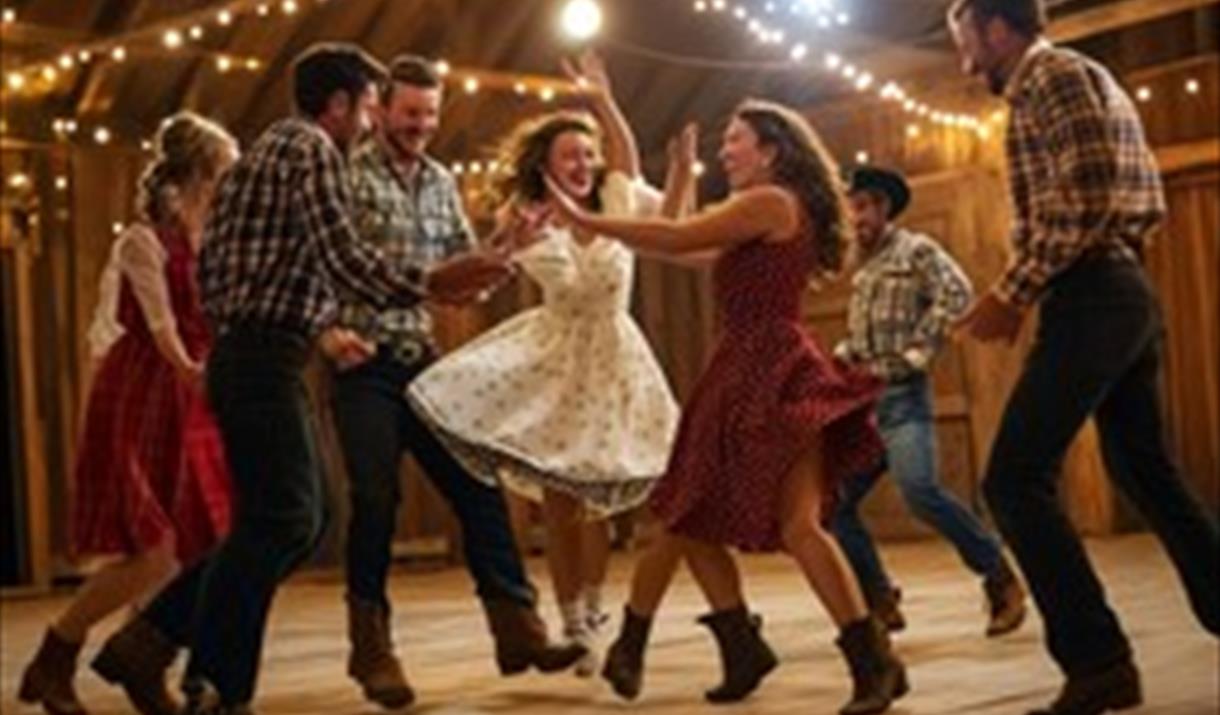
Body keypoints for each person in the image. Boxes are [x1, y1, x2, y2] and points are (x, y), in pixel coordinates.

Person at [88, 43, 512, 715]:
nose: (373, 120)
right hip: (260, 357)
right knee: (285, 516)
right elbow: (343, 257)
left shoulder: (271, 152)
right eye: (370, 104)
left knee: (299, 517)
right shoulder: (308, 147)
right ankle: (214, 681)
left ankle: (148, 641)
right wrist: (429, 282)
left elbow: (221, 268)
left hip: (262, 355)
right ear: (340, 104)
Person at [548, 99, 908, 715]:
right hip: (743, 367)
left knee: (782, 524)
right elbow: (678, 247)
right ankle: (743, 646)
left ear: (770, 150)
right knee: (690, 515)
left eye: (735, 140)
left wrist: (589, 219)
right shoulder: (760, 214)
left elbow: (677, 234)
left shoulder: (771, 202)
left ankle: (869, 662)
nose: (726, 151)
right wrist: (681, 174)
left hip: (768, 365)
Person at [947, 1, 1220, 713]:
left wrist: (1013, 291)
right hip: (1111, 287)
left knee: (1013, 479)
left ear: (997, 28)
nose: (960, 54)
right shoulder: (1063, 79)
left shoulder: (1053, 76)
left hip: (1095, 291)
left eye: (963, 36)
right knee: (1145, 471)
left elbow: (1087, 193)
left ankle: (1099, 663)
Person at [321, 53, 587, 709]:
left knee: (477, 482)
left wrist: (505, 245)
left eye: (430, 116)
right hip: (360, 364)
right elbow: (318, 261)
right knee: (376, 498)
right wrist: (325, 333)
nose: (420, 126)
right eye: (410, 113)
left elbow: (461, 272)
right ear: (380, 108)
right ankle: (372, 648)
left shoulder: (440, 180)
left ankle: (518, 629)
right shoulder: (343, 173)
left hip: (421, 359)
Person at [407, 52, 681, 679]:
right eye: (570, 156)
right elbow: (491, 262)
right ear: (547, 166)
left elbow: (627, 154)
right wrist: (509, 244)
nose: (583, 164)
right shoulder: (524, 217)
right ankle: (572, 619)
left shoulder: (616, 197)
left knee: (604, 498)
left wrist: (603, 101)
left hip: (615, 357)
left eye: (588, 154)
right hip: (558, 358)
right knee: (560, 498)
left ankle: (595, 603)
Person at [18, 112, 238, 715]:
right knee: (156, 549)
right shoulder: (142, 240)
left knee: (204, 544)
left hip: (195, 398)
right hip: (145, 395)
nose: (229, 183)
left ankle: (153, 663)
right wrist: (193, 370)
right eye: (223, 171)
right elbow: (162, 324)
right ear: (196, 172)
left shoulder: (213, 238)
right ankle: (55, 653)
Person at [831, 165, 1025, 636]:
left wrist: (920, 351)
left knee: (919, 490)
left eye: (862, 207)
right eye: (849, 208)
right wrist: (844, 353)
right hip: (862, 402)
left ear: (882, 207)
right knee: (834, 506)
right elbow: (865, 330)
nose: (855, 218)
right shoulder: (862, 267)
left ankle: (998, 575)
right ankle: (879, 598)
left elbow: (956, 293)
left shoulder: (916, 250)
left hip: (902, 398)